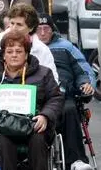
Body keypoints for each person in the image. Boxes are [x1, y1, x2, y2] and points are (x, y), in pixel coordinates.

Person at [0, 30, 63, 170]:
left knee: (38, 140)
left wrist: (45, 116)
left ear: (26, 54)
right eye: (9, 51)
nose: (14, 55)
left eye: (19, 51)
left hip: (34, 125)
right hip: (2, 126)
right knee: (3, 141)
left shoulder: (44, 73)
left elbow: (56, 98)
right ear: (3, 55)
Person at [36, 14, 95, 170]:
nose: (42, 33)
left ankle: (76, 160)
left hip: (63, 94)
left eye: (46, 29)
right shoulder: (27, 47)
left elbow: (83, 69)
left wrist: (86, 84)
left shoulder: (65, 46)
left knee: (69, 110)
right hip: (37, 96)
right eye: (38, 29)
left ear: (52, 29)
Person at [0, 3, 59, 82]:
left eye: (19, 25)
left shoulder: (42, 49)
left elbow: (52, 80)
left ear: (31, 28)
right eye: (12, 23)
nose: (13, 28)